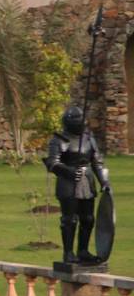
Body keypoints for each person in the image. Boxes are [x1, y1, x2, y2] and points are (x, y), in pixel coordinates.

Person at [45, 105, 113, 264]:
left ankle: (83, 250)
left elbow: (97, 163)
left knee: (88, 219)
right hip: (67, 183)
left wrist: (104, 181)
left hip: (87, 182)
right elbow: (52, 163)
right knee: (69, 219)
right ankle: (68, 253)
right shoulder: (59, 140)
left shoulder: (89, 138)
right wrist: (67, 171)